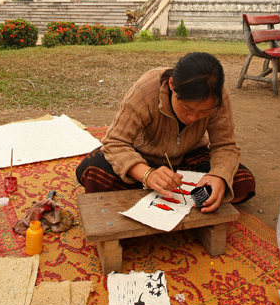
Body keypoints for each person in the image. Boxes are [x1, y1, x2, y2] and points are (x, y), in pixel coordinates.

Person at [76, 52, 255, 211]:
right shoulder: (147, 89)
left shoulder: (218, 96)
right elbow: (115, 142)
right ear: (171, 84)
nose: (192, 118)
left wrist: (218, 176)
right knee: (92, 171)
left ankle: (143, 197)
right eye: (186, 107)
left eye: (203, 112)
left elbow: (225, 145)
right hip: (142, 157)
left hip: (188, 159)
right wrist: (148, 175)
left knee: (242, 181)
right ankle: (160, 191)